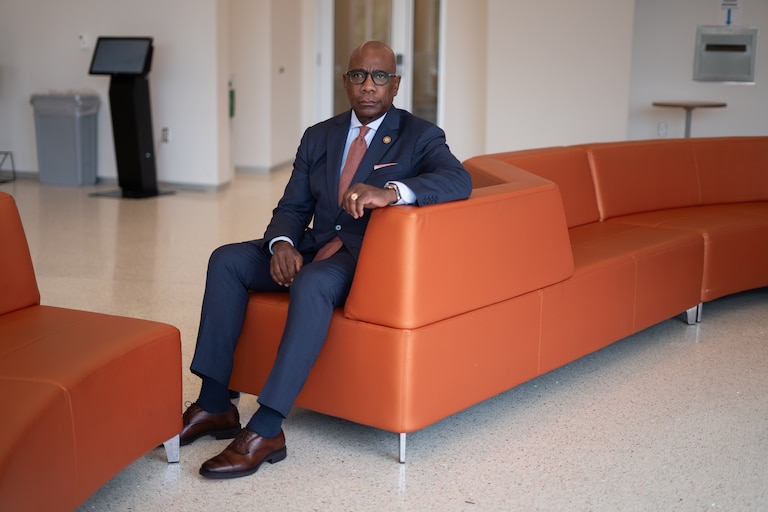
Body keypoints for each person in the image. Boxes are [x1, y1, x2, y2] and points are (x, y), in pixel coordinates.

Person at [182, 40, 472, 479]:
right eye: (358, 76)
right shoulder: (320, 135)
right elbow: (294, 206)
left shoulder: (420, 135)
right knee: (228, 260)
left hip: (364, 257)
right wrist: (281, 243)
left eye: (379, 77)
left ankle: (266, 427)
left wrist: (392, 192)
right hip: (314, 246)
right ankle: (215, 403)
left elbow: (457, 179)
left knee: (312, 283)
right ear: (345, 81)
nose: (368, 86)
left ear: (395, 85)